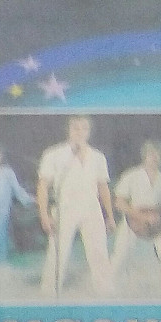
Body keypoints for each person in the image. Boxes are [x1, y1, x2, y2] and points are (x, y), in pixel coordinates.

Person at [36, 115, 117, 296]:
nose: (80, 132)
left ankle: (105, 291)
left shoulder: (98, 157)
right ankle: (50, 292)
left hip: (91, 207)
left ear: (89, 132)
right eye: (76, 128)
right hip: (64, 208)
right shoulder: (54, 154)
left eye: (84, 128)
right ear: (69, 130)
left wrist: (110, 216)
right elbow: (43, 186)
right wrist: (44, 215)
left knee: (99, 251)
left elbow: (103, 187)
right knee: (58, 252)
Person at [110, 140, 161, 292]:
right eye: (151, 154)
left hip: (158, 223)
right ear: (144, 156)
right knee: (119, 258)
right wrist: (141, 217)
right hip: (132, 222)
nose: (154, 157)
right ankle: (107, 289)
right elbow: (119, 202)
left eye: (158, 154)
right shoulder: (132, 175)